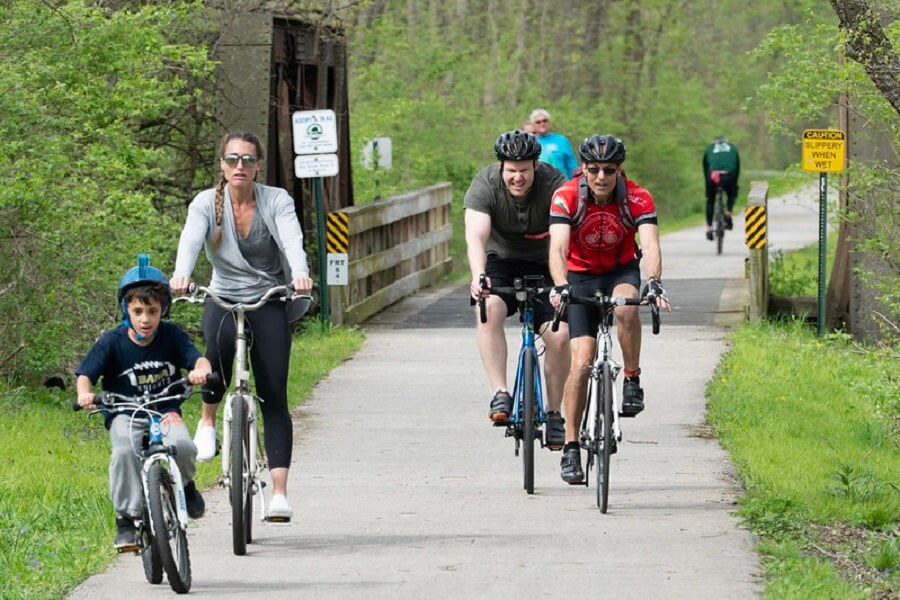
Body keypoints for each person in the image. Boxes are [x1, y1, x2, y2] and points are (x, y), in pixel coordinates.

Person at [170, 132, 314, 521]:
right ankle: (207, 420)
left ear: (258, 165)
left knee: (273, 393)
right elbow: (189, 239)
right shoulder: (205, 203)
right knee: (213, 363)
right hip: (222, 296)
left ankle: (280, 493)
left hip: (267, 297)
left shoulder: (276, 200)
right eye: (232, 159)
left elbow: (292, 240)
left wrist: (299, 274)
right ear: (221, 164)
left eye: (248, 160)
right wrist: (182, 274)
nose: (240, 166)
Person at [548, 134, 671, 484]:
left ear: (620, 170)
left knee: (626, 308)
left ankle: (632, 378)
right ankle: (571, 446)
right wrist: (560, 286)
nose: (601, 176)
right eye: (594, 169)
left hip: (620, 269)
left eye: (609, 170)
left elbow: (649, 244)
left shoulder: (637, 197)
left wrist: (655, 280)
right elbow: (557, 249)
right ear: (583, 169)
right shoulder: (567, 196)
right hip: (580, 275)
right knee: (582, 361)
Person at [76, 254, 213, 549]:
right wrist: (85, 393)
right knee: (124, 452)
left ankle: (186, 486)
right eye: (138, 311)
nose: (145, 319)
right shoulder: (112, 341)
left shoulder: (172, 335)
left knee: (185, 446)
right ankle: (126, 519)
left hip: (164, 411)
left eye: (152, 311)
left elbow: (197, 358)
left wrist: (201, 370)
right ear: (127, 309)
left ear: (163, 310)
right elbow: (85, 374)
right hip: (124, 413)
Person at [464, 129, 571, 450]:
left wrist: (564, 281)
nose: (518, 177)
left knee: (560, 334)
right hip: (501, 260)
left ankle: (554, 413)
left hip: (547, 262)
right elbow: (476, 236)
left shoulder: (555, 184)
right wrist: (479, 274)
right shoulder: (485, 184)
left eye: (524, 170)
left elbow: (563, 234)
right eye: (511, 170)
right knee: (488, 310)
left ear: (536, 166)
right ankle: (500, 393)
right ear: (501, 167)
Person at [702, 135, 740, 240]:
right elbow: (737, 167)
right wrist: (735, 185)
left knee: (710, 201)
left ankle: (709, 228)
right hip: (729, 176)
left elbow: (705, 168)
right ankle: (728, 212)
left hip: (713, 177)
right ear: (726, 142)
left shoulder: (710, 148)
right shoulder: (732, 147)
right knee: (731, 194)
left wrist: (707, 185)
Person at [530, 108, 579, 180]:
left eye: (545, 121)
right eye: (538, 122)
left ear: (549, 122)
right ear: (533, 125)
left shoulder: (561, 140)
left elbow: (571, 164)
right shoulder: (531, 142)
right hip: (539, 184)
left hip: (560, 181)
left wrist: (575, 181)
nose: (542, 124)